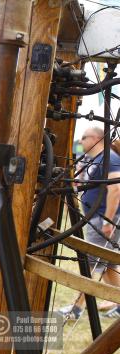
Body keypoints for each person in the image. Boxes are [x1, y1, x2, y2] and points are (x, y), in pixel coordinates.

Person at [59, 126, 120, 319]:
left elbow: (116, 188)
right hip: (98, 219)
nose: (81, 142)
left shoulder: (109, 158)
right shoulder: (98, 159)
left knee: (90, 266)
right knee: (108, 268)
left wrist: (108, 221)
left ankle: (76, 309)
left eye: (83, 138)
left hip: (102, 220)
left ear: (95, 138)